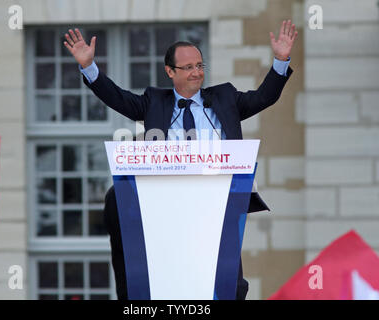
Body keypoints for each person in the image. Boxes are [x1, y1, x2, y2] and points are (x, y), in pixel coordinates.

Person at [64, 20, 298, 300]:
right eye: (188, 68)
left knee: (231, 287)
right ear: (169, 71)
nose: (196, 73)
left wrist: (281, 60)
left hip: (218, 203)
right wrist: (90, 68)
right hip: (166, 208)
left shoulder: (225, 98)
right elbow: (119, 99)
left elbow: (264, 97)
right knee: (120, 202)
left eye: (199, 66)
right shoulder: (154, 102)